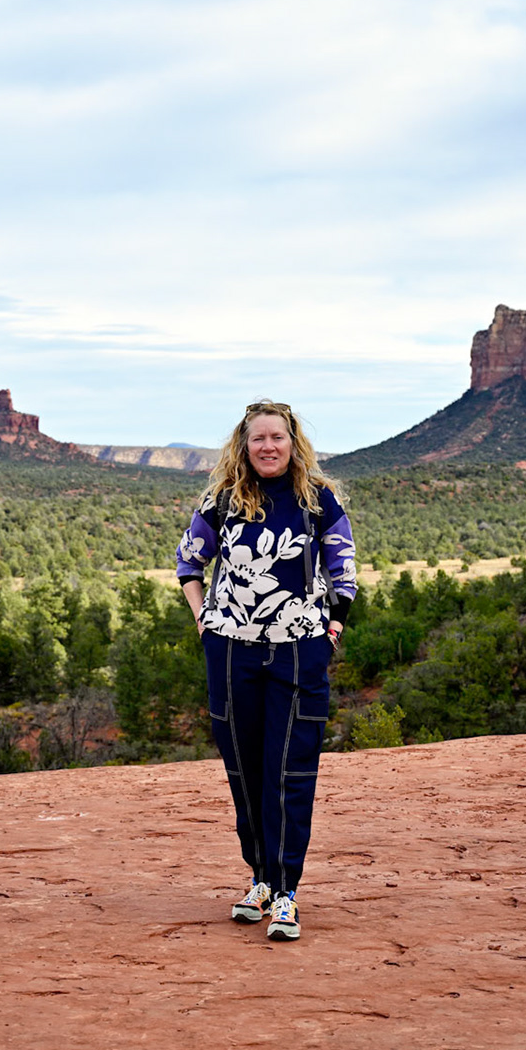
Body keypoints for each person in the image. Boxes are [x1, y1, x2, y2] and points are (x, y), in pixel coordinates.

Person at [173, 400, 355, 941]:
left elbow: (343, 570)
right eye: (258, 439)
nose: (268, 447)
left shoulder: (318, 500)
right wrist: (204, 617)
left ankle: (287, 892)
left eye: (277, 437)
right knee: (245, 767)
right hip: (232, 652)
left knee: (291, 768)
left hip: (299, 652)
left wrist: (333, 629)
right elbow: (188, 561)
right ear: (244, 444)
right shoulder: (223, 500)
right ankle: (260, 878)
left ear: (293, 442)